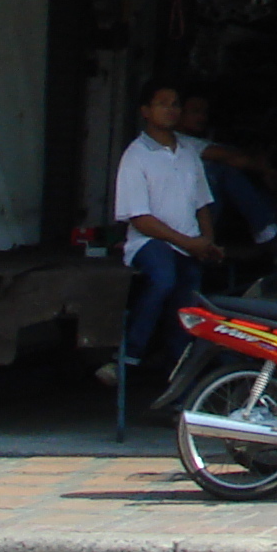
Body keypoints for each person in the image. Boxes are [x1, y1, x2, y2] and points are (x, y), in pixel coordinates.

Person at [105, 80, 222, 384]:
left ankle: (180, 384)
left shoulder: (187, 152)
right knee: (163, 278)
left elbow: (202, 204)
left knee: (187, 308)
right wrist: (189, 242)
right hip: (151, 242)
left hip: (188, 245)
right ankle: (128, 355)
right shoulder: (136, 155)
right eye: (162, 103)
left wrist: (207, 242)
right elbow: (141, 219)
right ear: (145, 111)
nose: (171, 110)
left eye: (175, 104)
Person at [177, 93, 277, 247]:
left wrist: (265, 169)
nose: (202, 117)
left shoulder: (201, 140)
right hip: (188, 214)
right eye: (195, 111)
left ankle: (268, 228)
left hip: (208, 210)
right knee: (225, 171)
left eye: (204, 112)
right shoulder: (179, 140)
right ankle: (265, 229)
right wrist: (266, 170)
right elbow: (230, 158)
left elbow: (240, 158)